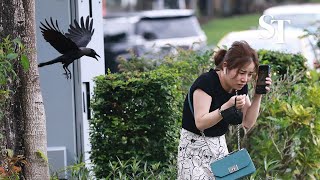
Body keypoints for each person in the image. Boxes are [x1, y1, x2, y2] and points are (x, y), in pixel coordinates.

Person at [177, 41, 272, 179]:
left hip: (219, 147)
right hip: (194, 148)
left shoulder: (239, 86)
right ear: (225, 66)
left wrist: (258, 95)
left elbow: (247, 123)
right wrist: (226, 107)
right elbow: (200, 123)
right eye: (241, 72)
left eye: (250, 74)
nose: (244, 79)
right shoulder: (206, 83)